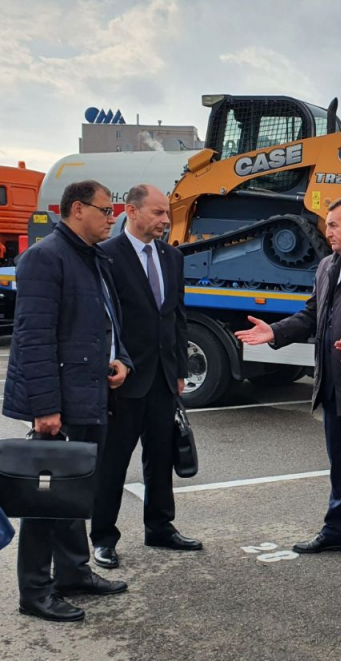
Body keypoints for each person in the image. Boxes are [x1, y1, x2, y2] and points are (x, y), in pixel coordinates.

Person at [235, 197, 341, 578]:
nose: (326, 231)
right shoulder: (328, 266)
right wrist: (274, 332)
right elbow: (312, 315)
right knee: (340, 468)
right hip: (331, 385)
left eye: (333, 224)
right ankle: (336, 532)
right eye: (327, 225)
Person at [3, 180, 132, 622]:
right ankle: (35, 592)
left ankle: (74, 573)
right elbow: (33, 339)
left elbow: (111, 321)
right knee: (44, 501)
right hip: (59, 399)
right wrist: (45, 408)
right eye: (105, 210)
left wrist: (122, 361)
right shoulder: (44, 258)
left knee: (76, 489)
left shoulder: (93, 258)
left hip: (90, 390)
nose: (112, 218)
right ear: (77, 209)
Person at [90, 184, 201, 569]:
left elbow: (176, 316)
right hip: (123, 378)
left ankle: (160, 527)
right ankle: (103, 537)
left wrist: (180, 369)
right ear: (131, 211)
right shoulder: (105, 256)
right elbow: (102, 320)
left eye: (166, 213)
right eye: (157, 213)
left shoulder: (172, 256)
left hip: (164, 377)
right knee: (113, 461)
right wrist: (109, 364)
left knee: (161, 454)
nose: (165, 220)